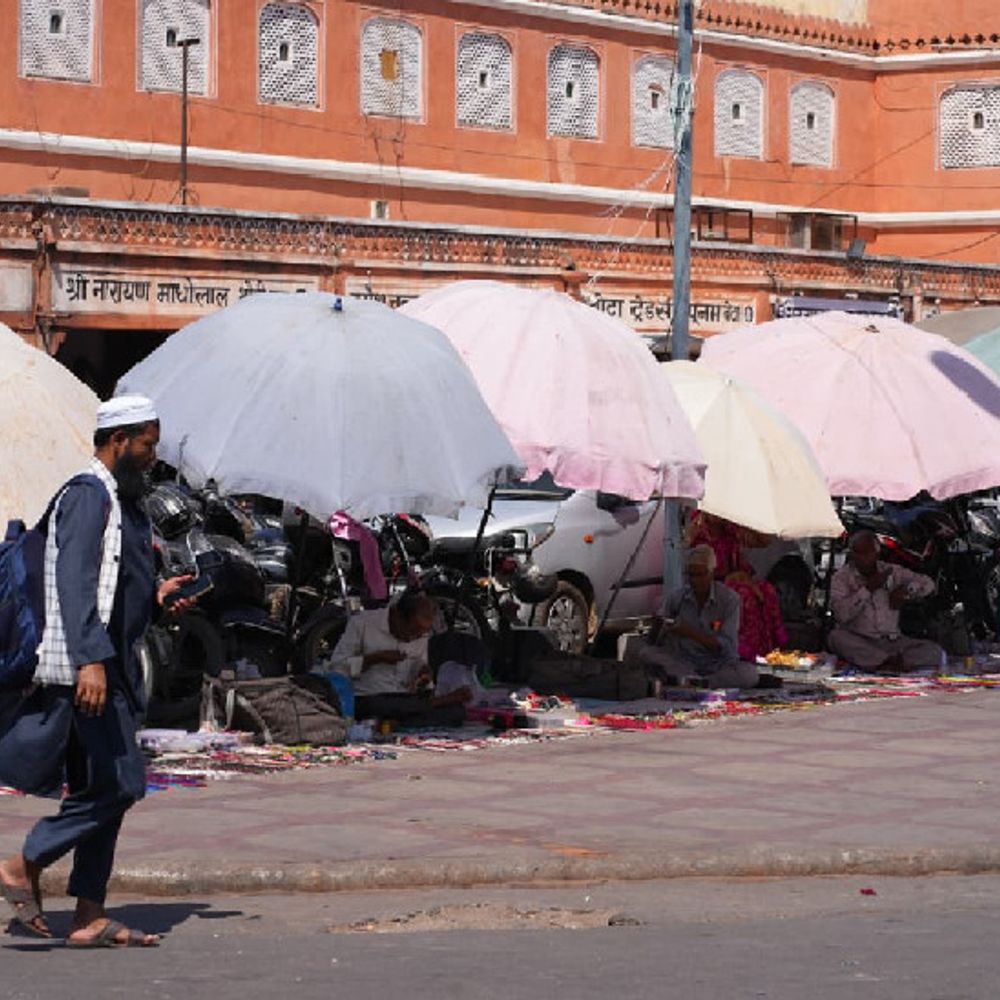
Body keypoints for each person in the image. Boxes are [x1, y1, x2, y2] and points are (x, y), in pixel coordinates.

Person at [0, 395, 194, 947]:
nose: (152, 457)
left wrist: (157, 601)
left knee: (98, 786)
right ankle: (24, 863)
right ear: (117, 442)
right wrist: (90, 660)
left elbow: (118, 588)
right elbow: (75, 581)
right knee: (123, 782)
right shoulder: (89, 496)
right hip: (91, 671)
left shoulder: (126, 500)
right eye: (146, 446)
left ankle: (88, 915)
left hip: (115, 668)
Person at [328, 591, 467, 727]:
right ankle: (411, 715)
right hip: (369, 697)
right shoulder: (362, 623)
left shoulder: (420, 634)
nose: (411, 639)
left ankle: (395, 722)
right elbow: (337, 669)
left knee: (456, 712)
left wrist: (423, 673)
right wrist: (373, 659)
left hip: (404, 698)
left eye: (419, 636)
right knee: (379, 706)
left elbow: (420, 665)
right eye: (410, 632)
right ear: (396, 616)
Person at [639, 545, 760, 690]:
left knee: (749, 674)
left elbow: (727, 646)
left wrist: (688, 632)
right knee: (646, 653)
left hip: (717, 663)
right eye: (691, 575)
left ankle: (699, 682)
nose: (695, 580)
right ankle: (692, 680)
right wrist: (660, 626)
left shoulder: (729, 600)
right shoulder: (677, 598)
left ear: (711, 574)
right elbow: (653, 640)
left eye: (700, 575)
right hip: (685, 660)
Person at [828, 530, 944, 672]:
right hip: (861, 639)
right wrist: (867, 590)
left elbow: (928, 584)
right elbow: (841, 615)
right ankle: (886, 662)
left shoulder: (891, 572)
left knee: (934, 651)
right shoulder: (842, 578)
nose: (863, 559)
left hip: (892, 641)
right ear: (852, 555)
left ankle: (887, 662)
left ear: (877, 554)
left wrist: (907, 591)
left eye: (867, 553)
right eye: (858, 554)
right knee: (836, 638)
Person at [688, 511, 788, 661]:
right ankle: (743, 650)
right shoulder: (699, 529)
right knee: (743, 594)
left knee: (767, 589)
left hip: (736, 580)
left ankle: (766, 648)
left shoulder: (731, 528)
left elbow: (763, 541)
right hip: (710, 582)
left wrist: (744, 517)